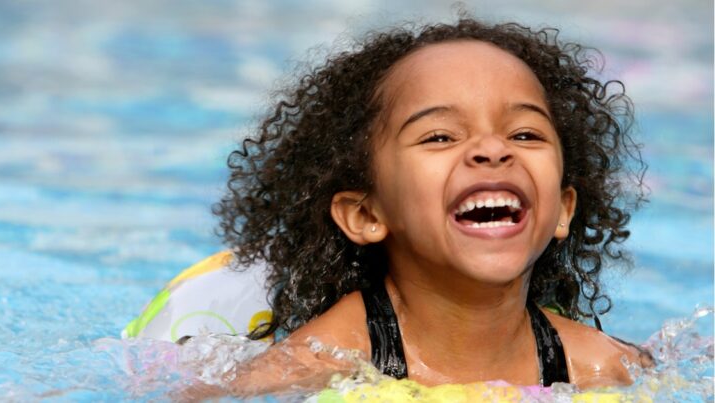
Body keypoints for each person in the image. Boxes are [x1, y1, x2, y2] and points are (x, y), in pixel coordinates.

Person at [198, 13, 649, 396]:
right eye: (440, 137)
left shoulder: (602, 368)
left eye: (525, 134)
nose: (492, 149)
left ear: (563, 211)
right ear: (366, 215)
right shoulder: (323, 361)